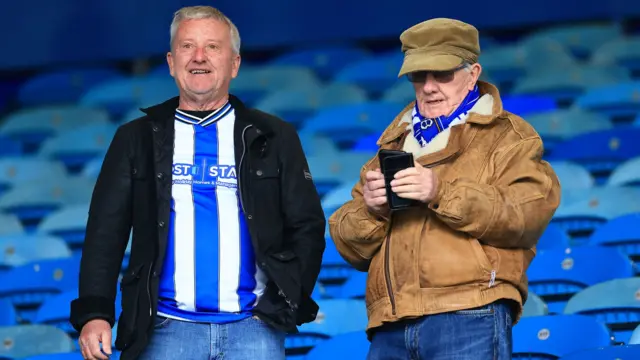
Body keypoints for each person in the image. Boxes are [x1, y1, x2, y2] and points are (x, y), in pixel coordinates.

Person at [69, 6, 326, 360]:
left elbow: (308, 227)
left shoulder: (274, 136)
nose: (199, 58)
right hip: (164, 329)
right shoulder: (135, 139)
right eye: (188, 47)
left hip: (254, 330)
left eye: (212, 47)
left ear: (234, 64)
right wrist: (94, 314)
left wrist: (283, 303)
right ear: (172, 62)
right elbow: (104, 233)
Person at [329, 18, 561, 360]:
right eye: (418, 76)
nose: (429, 87)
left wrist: (440, 190)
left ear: (473, 74)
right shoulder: (394, 142)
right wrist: (372, 211)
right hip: (391, 321)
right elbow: (348, 244)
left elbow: (525, 216)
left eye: (443, 74)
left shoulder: (509, 136)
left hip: (471, 311)